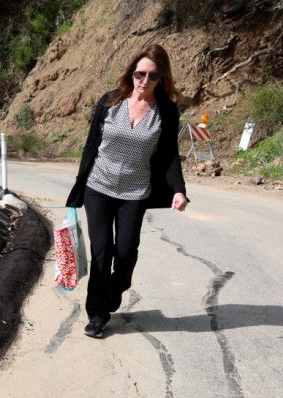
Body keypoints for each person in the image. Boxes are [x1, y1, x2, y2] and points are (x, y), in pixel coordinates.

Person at [66, 43, 189, 338]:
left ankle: (117, 286)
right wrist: (79, 189)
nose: (144, 80)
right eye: (140, 73)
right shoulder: (110, 102)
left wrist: (179, 189)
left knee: (124, 253)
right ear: (131, 73)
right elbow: (91, 145)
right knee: (101, 251)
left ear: (162, 79)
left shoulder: (166, 111)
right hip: (99, 186)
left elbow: (170, 154)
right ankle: (97, 314)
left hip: (135, 191)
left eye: (152, 76)